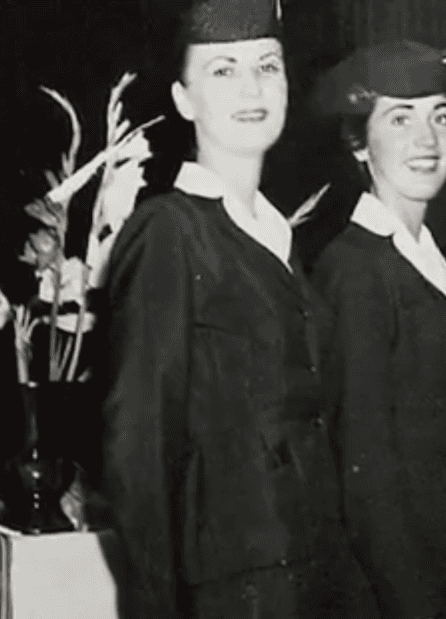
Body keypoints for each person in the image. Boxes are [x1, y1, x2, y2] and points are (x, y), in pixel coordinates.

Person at [99, 0, 373, 616]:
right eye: (223, 69)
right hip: (234, 589)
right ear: (183, 98)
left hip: (313, 574)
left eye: (267, 65)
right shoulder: (170, 232)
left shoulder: (277, 238)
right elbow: (137, 453)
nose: (252, 88)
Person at [309, 39, 446, 619]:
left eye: (441, 117)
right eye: (401, 118)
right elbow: (367, 476)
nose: (427, 139)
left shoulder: (428, 254)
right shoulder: (355, 270)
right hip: (404, 591)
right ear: (359, 143)